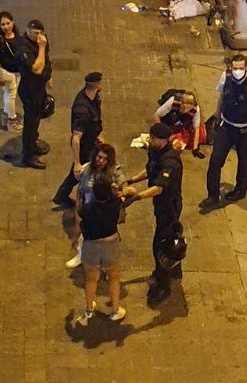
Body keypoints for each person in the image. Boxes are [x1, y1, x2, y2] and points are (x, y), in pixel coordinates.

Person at [122, 123, 183, 303]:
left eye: (155, 138)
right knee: (170, 240)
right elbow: (150, 170)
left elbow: (159, 187)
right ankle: (174, 269)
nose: (151, 139)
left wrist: (137, 196)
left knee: (161, 245)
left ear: (165, 140)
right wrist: (131, 179)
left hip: (169, 207)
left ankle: (163, 283)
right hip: (160, 205)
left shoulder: (171, 162)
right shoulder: (156, 151)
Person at [199, 54, 247, 214]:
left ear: (246, 68)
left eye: (240, 68)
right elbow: (222, 97)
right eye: (234, 68)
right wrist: (216, 116)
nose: (237, 71)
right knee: (215, 161)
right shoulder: (226, 77)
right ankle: (213, 196)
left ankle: (240, 190)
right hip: (226, 127)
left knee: (244, 160)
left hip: (245, 130)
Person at [73, 176, 126, 326]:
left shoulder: (88, 208)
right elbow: (130, 195)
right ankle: (115, 310)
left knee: (91, 279)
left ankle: (89, 309)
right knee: (113, 277)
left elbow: (80, 214)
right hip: (110, 243)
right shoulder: (114, 203)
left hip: (91, 245)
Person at [64, 143, 126, 269]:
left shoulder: (114, 171)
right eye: (99, 157)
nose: (101, 161)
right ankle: (82, 255)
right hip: (89, 210)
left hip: (106, 212)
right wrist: (78, 211)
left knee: (108, 238)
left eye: (105, 158)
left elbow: (124, 186)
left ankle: (108, 265)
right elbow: (80, 191)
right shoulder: (86, 169)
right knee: (85, 235)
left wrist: (122, 192)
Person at [52, 72, 104, 210]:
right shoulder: (82, 109)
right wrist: (76, 162)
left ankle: (61, 195)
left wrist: (100, 134)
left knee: (80, 172)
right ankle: (67, 196)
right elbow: (76, 137)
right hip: (85, 146)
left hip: (93, 141)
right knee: (80, 171)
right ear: (96, 85)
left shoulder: (94, 98)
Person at [16, 19, 52, 169]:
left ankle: (33, 143)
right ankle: (28, 156)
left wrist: (49, 77)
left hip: (39, 88)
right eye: (35, 33)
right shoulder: (23, 48)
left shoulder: (42, 41)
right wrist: (41, 47)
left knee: (38, 116)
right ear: (28, 30)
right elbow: (37, 69)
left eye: (40, 33)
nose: (39, 37)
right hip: (29, 90)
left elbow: (47, 61)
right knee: (30, 123)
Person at [153, 91, 206, 158]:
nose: (185, 110)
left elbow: (196, 128)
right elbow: (156, 115)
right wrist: (161, 133)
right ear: (180, 102)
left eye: (188, 108)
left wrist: (195, 148)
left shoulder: (195, 109)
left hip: (181, 125)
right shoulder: (173, 102)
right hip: (168, 121)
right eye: (183, 107)